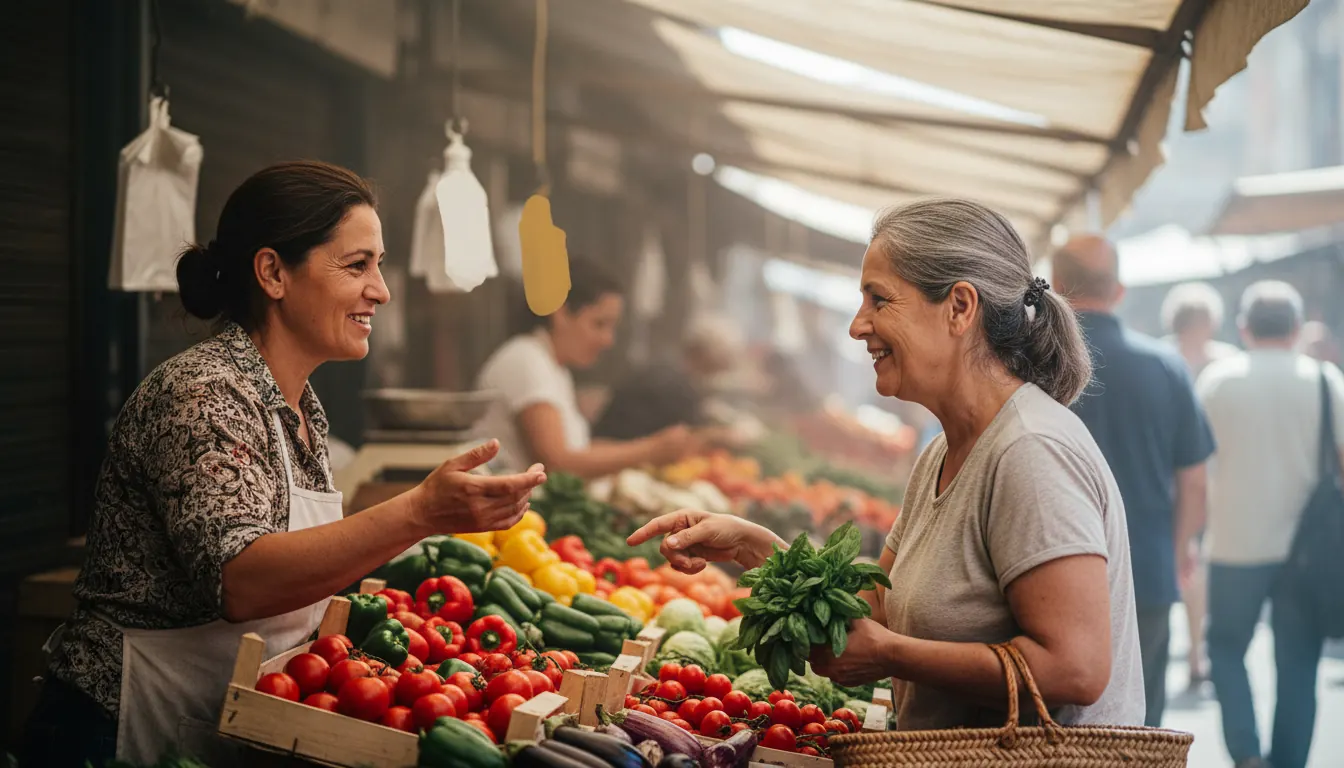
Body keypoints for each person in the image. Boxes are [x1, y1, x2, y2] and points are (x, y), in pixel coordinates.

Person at [21, 162, 546, 768]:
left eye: (378, 263)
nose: (382, 289)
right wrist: (421, 512)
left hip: (212, 723)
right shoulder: (203, 394)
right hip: (112, 732)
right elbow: (241, 581)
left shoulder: (299, 406)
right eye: (358, 265)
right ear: (273, 272)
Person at [630, 199, 1145, 730]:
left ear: (960, 307)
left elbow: (1075, 670)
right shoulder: (944, 453)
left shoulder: (1031, 452)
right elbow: (878, 602)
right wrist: (753, 545)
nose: (858, 326)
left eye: (879, 299)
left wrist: (891, 655)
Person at [1054, 236, 1215, 727]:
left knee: (1058, 729)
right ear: (1120, 290)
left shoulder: (1032, 364)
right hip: (1146, 568)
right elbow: (1195, 482)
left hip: (1049, 572)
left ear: (1056, 286)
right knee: (1138, 728)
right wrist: (1180, 547)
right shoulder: (1166, 368)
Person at [1197, 281, 1342, 768]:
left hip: (1234, 543)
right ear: (1298, 329)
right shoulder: (1325, 381)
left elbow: (1198, 467)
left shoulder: (1219, 380)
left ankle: (1246, 753)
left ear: (1244, 328)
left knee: (1225, 648)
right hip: (1309, 552)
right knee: (1299, 665)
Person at [475, 257, 702, 478]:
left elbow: (580, 450)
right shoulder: (526, 359)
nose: (608, 340)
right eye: (599, 324)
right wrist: (650, 451)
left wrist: (656, 447)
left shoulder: (552, 366)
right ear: (561, 313)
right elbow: (557, 463)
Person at [1160, 280, 1237, 694]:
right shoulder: (1217, 362)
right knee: (1192, 564)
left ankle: (1194, 651)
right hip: (1196, 478)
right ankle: (1194, 652)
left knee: (1192, 564)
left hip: (1193, 478)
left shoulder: (1169, 358)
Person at [592, 314, 743, 441]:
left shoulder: (668, 365)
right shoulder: (676, 382)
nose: (718, 372)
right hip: (616, 454)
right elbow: (692, 434)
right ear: (707, 354)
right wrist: (727, 436)